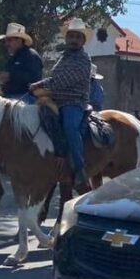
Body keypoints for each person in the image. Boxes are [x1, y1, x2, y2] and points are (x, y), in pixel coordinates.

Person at [31, 18, 92, 187]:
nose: (73, 40)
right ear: (66, 39)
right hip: (56, 99)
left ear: (83, 41)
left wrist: (41, 84)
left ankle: (80, 169)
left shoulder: (84, 60)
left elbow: (63, 80)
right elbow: (54, 76)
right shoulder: (63, 57)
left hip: (73, 101)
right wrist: (38, 84)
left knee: (69, 127)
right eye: (71, 36)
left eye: (78, 37)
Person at [0, 22, 43, 103]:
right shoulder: (12, 58)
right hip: (10, 97)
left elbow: (35, 78)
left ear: (19, 40)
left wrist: (11, 76)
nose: (6, 44)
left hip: (26, 97)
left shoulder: (31, 55)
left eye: (9, 40)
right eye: (6, 41)